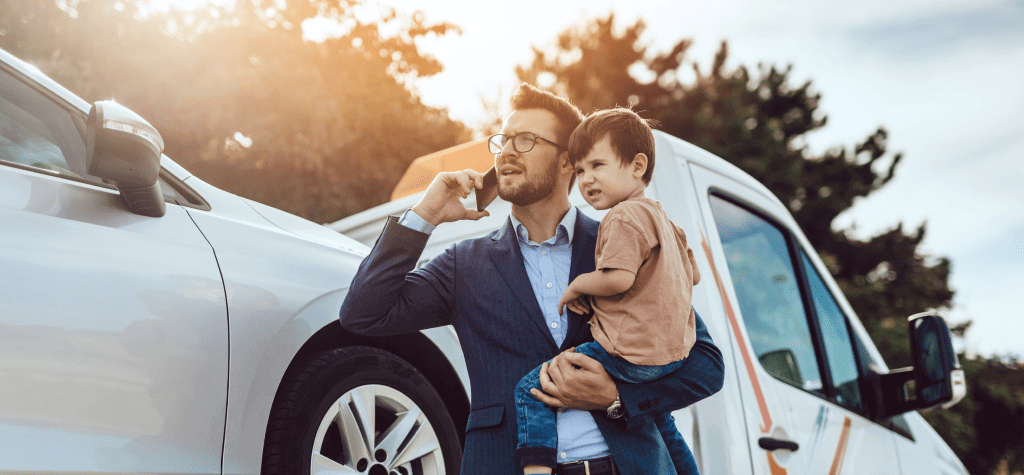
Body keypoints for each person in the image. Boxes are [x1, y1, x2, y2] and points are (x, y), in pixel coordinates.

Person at [340, 83, 724, 475]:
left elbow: (706, 365)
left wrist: (617, 396)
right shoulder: (464, 265)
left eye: (525, 140)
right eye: (503, 140)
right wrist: (426, 213)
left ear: (567, 162)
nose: (506, 150)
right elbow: (363, 314)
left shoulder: (623, 241)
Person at [515, 108, 701, 475]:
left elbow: (617, 279)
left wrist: (580, 285)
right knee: (662, 422)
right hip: (674, 353)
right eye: (581, 170)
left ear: (637, 165)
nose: (587, 180)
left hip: (630, 351)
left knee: (530, 390)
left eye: (598, 165)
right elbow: (692, 275)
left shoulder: (621, 217)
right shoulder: (666, 220)